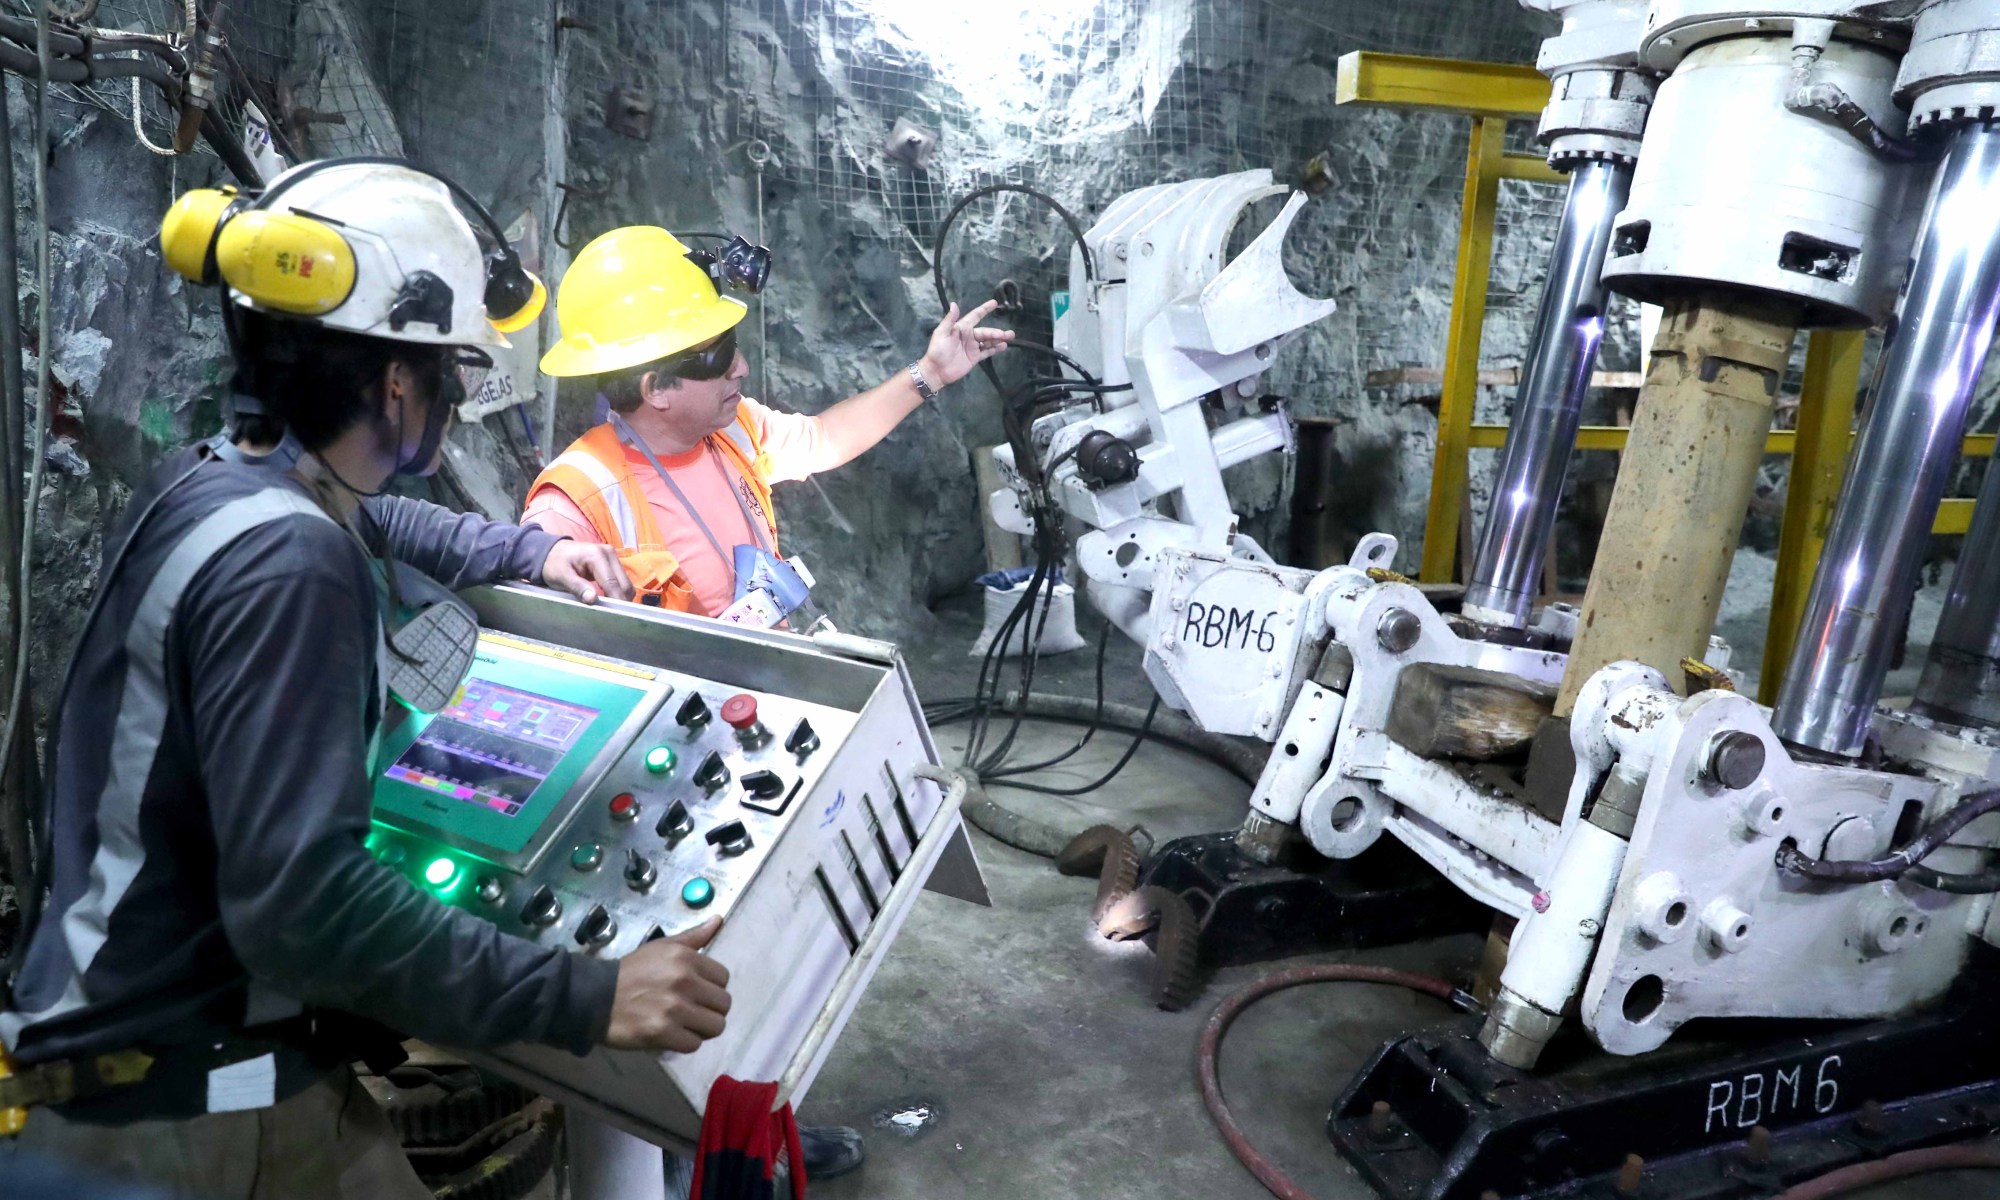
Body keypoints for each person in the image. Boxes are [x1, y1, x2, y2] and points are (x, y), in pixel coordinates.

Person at [0, 159, 729, 1199]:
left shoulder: (220, 479)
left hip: (124, 1049)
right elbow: (302, 903)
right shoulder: (294, 569)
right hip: (180, 1112)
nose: (445, 403)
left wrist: (518, 552)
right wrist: (585, 995)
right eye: (447, 378)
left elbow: (368, 509)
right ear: (397, 384)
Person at [523, 225, 1013, 620]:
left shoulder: (732, 430)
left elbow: (824, 438)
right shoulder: (578, 499)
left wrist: (930, 373)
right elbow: (544, 604)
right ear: (655, 390)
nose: (741, 368)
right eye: (717, 357)